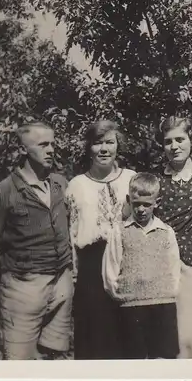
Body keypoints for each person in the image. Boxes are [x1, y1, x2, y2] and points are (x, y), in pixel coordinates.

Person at [0, 121, 73, 360]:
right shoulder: (3, 191)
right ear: (23, 149)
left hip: (62, 282)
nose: (51, 150)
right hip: (23, 288)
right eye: (43, 145)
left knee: (53, 356)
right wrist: (15, 270)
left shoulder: (60, 184)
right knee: (19, 362)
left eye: (52, 144)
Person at [65, 120, 136, 360]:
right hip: (91, 268)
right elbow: (72, 232)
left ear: (118, 146)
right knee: (93, 340)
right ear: (89, 147)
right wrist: (74, 276)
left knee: (127, 339)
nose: (104, 149)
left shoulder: (132, 179)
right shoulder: (76, 185)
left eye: (109, 142)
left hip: (127, 265)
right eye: (97, 143)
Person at [102, 172, 180, 359]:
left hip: (162, 305)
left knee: (163, 359)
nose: (141, 209)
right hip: (131, 307)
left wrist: (168, 292)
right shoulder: (119, 231)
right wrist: (123, 295)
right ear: (129, 200)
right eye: (136, 204)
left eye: (147, 204)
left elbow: (174, 268)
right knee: (134, 359)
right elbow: (110, 270)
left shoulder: (166, 232)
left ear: (157, 203)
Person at [155, 116, 192, 359]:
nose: (174, 146)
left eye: (180, 139)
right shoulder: (156, 179)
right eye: (168, 141)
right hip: (161, 262)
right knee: (166, 331)